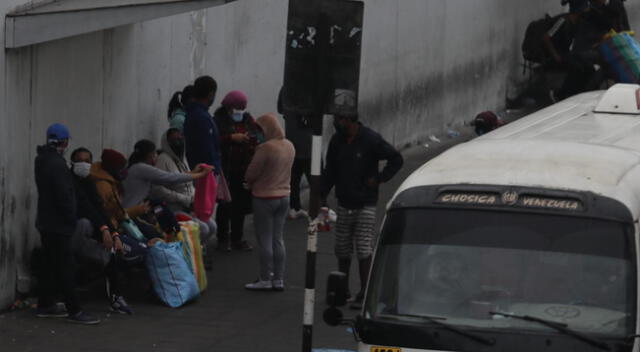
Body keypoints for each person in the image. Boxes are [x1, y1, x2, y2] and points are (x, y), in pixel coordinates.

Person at [322, 113, 403, 309]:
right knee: (342, 248)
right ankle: (343, 290)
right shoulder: (337, 141)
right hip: (344, 202)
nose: (337, 124)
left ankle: (365, 293)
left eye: (340, 120)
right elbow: (331, 170)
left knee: (364, 248)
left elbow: (396, 158)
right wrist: (322, 195)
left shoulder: (371, 140)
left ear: (351, 121)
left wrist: (380, 178)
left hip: (365, 202)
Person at [34, 123, 101, 324]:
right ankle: (75, 310)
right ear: (63, 142)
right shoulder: (57, 164)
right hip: (58, 224)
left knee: (50, 264)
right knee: (66, 266)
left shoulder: (42, 159)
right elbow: (64, 195)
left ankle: (45, 304)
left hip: (46, 222)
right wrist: (71, 217)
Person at [69, 148, 132, 315]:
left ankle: (116, 297)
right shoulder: (68, 181)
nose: (83, 164)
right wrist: (104, 230)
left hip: (87, 235)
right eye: (79, 160)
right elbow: (85, 208)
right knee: (84, 224)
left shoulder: (90, 181)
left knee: (110, 251)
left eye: (87, 161)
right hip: (69, 234)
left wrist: (113, 234)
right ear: (72, 162)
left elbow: (99, 210)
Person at [244, 113, 295, 291]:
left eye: (260, 130)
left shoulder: (265, 148)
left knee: (264, 239)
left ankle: (265, 278)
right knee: (278, 239)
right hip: (284, 196)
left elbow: (252, 172)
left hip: (264, 197)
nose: (259, 134)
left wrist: (248, 182)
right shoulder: (289, 146)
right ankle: (278, 278)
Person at [151, 128, 217, 246]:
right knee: (203, 229)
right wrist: (183, 199)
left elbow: (184, 179)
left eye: (181, 138)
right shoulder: (163, 159)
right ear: (167, 142)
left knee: (212, 226)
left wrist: (194, 198)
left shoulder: (181, 158)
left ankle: (198, 254)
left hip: (188, 206)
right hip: (173, 208)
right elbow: (157, 190)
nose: (179, 142)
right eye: (174, 140)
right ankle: (189, 256)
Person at [213, 91, 260, 251]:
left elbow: (257, 135)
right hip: (226, 169)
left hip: (243, 169)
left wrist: (250, 139)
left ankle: (237, 238)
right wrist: (231, 138)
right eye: (237, 108)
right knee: (225, 204)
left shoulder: (248, 119)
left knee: (240, 205)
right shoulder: (218, 120)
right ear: (229, 107)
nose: (240, 111)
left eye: (242, 108)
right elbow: (214, 140)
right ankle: (222, 239)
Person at [121, 139, 211, 210]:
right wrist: (201, 174)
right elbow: (170, 177)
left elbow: (170, 176)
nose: (156, 156)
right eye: (155, 154)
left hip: (134, 210)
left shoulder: (136, 167)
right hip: (131, 211)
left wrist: (194, 172)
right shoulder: (141, 168)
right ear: (150, 155)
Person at [91, 149, 150, 233]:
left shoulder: (110, 182)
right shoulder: (103, 186)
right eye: (121, 168)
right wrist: (138, 210)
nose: (124, 171)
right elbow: (110, 214)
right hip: (110, 230)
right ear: (112, 168)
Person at [277, 88, 313, 219]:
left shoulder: (286, 88)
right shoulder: (313, 88)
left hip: (292, 141)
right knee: (315, 178)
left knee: (293, 179)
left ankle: (294, 207)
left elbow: (280, 109)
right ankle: (320, 208)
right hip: (310, 143)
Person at [183, 75, 222, 173]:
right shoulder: (201, 117)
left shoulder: (195, 113)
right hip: (205, 173)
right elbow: (207, 149)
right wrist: (214, 169)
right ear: (211, 94)